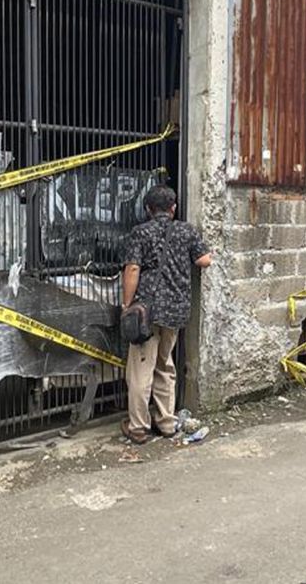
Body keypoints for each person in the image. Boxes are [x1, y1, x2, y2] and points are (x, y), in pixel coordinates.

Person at [119, 185, 212, 445]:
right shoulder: (186, 231)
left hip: (147, 313)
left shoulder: (141, 232)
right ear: (173, 208)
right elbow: (205, 260)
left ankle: (138, 427)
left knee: (140, 370)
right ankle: (167, 423)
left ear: (148, 209)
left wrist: (127, 304)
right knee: (165, 365)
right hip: (176, 310)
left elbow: (133, 269)